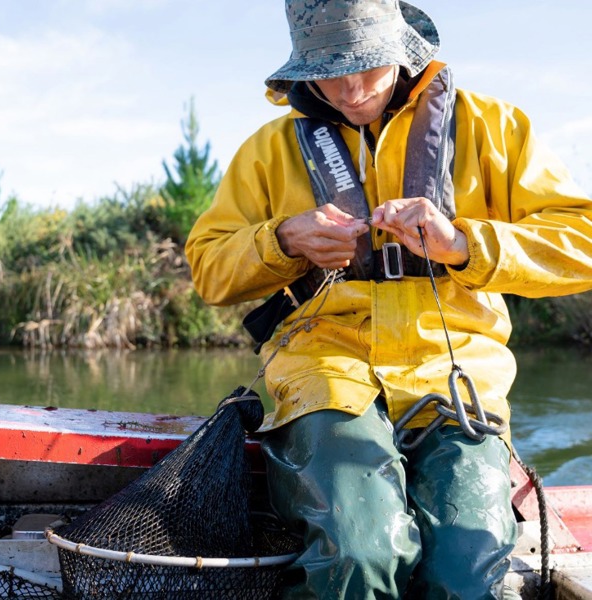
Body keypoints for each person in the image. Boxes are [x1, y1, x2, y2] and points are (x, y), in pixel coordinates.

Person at [184, 1, 592, 598]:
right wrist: (281, 239)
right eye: (328, 70)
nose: (350, 90)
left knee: (467, 567)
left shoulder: (496, 128)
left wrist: (462, 243)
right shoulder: (266, 151)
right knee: (360, 548)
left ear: (403, 49)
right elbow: (209, 268)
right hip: (324, 374)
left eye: (366, 66)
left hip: (456, 382)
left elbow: (580, 243)